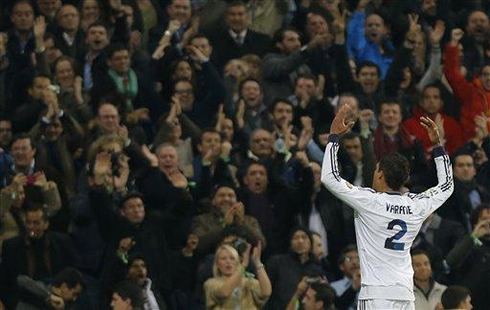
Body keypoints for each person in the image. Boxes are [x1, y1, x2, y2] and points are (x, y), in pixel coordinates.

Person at [321, 104, 453, 309]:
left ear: (380, 174)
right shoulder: (415, 205)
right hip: (405, 294)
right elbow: (446, 186)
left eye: (375, 170)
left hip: (376, 294)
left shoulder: (368, 201)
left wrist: (333, 138)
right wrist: (438, 147)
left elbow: (329, 178)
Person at [204, 242, 271, 309]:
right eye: (223, 258)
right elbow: (224, 293)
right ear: (217, 264)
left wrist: (258, 263)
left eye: (232, 258)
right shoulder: (211, 284)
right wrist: (242, 267)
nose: (228, 261)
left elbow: (266, 292)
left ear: (237, 262)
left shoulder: (248, 282)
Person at [16, 267, 84, 310]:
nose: (75, 299)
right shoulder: (40, 289)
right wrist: (49, 296)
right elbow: (22, 280)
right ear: (64, 287)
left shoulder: (69, 305)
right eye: (74, 294)